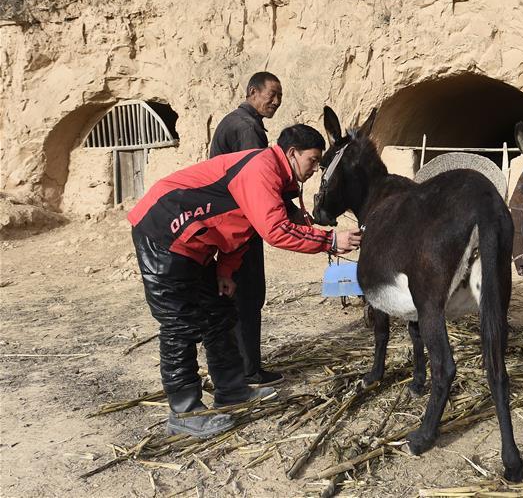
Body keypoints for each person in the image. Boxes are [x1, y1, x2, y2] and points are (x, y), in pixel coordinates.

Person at [129, 124, 362, 438]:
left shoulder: (275, 178)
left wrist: (226, 269)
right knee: (179, 324)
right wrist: (330, 241)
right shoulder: (262, 169)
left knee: (219, 315)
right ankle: (183, 412)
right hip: (163, 234)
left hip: (196, 244)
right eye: (313, 160)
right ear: (292, 154)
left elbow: (243, 226)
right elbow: (274, 230)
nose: (314, 169)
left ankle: (232, 391)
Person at [209, 71, 297, 387]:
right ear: (252, 91)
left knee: (232, 294)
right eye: (271, 94)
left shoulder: (237, 122)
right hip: (241, 225)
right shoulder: (247, 129)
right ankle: (249, 371)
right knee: (248, 296)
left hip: (225, 222)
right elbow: (259, 184)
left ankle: (233, 367)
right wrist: (292, 215)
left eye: (280, 97)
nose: (276, 102)